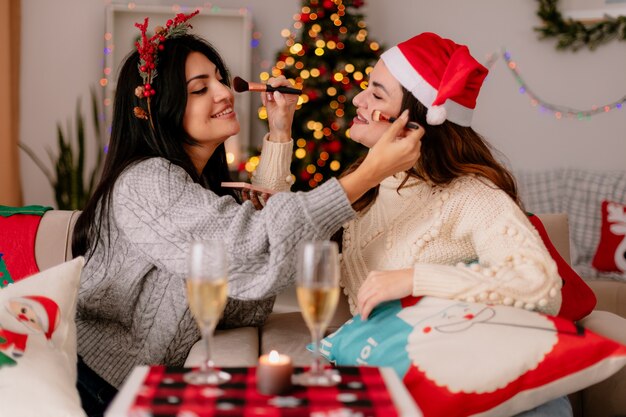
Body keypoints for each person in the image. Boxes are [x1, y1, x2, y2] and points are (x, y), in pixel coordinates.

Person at [70, 10, 422, 416]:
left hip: (134, 384)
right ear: (159, 108)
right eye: (201, 88)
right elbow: (249, 242)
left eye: (220, 79)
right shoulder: (146, 182)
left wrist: (281, 128)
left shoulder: (196, 189)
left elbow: (253, 271)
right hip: (91, 384)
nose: (224, 92)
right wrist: (367, 174)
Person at [256, 32, 570, 416]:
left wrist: (415, 279)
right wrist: (280, 130)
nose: (358, 99)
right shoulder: (361, 191)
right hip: (417, 388)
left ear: (413, 122)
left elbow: (542, 285)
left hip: (500, 393)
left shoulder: (470, 195)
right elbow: (272, 239)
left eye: (376, 93)